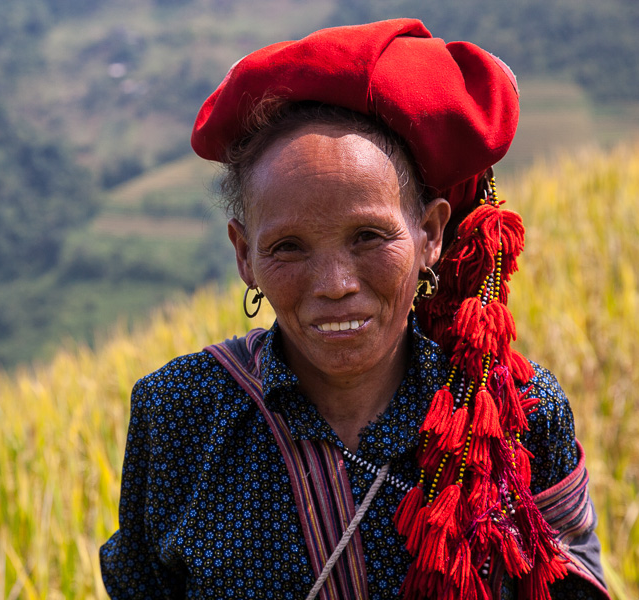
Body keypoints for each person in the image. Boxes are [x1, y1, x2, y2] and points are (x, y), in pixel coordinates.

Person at [100, 19, 609, 600]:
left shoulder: (510, 414)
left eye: (369, 236)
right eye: (288, 247)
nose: (335, 284)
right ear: (244, 255)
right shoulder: (181, 415)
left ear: (430, 234)